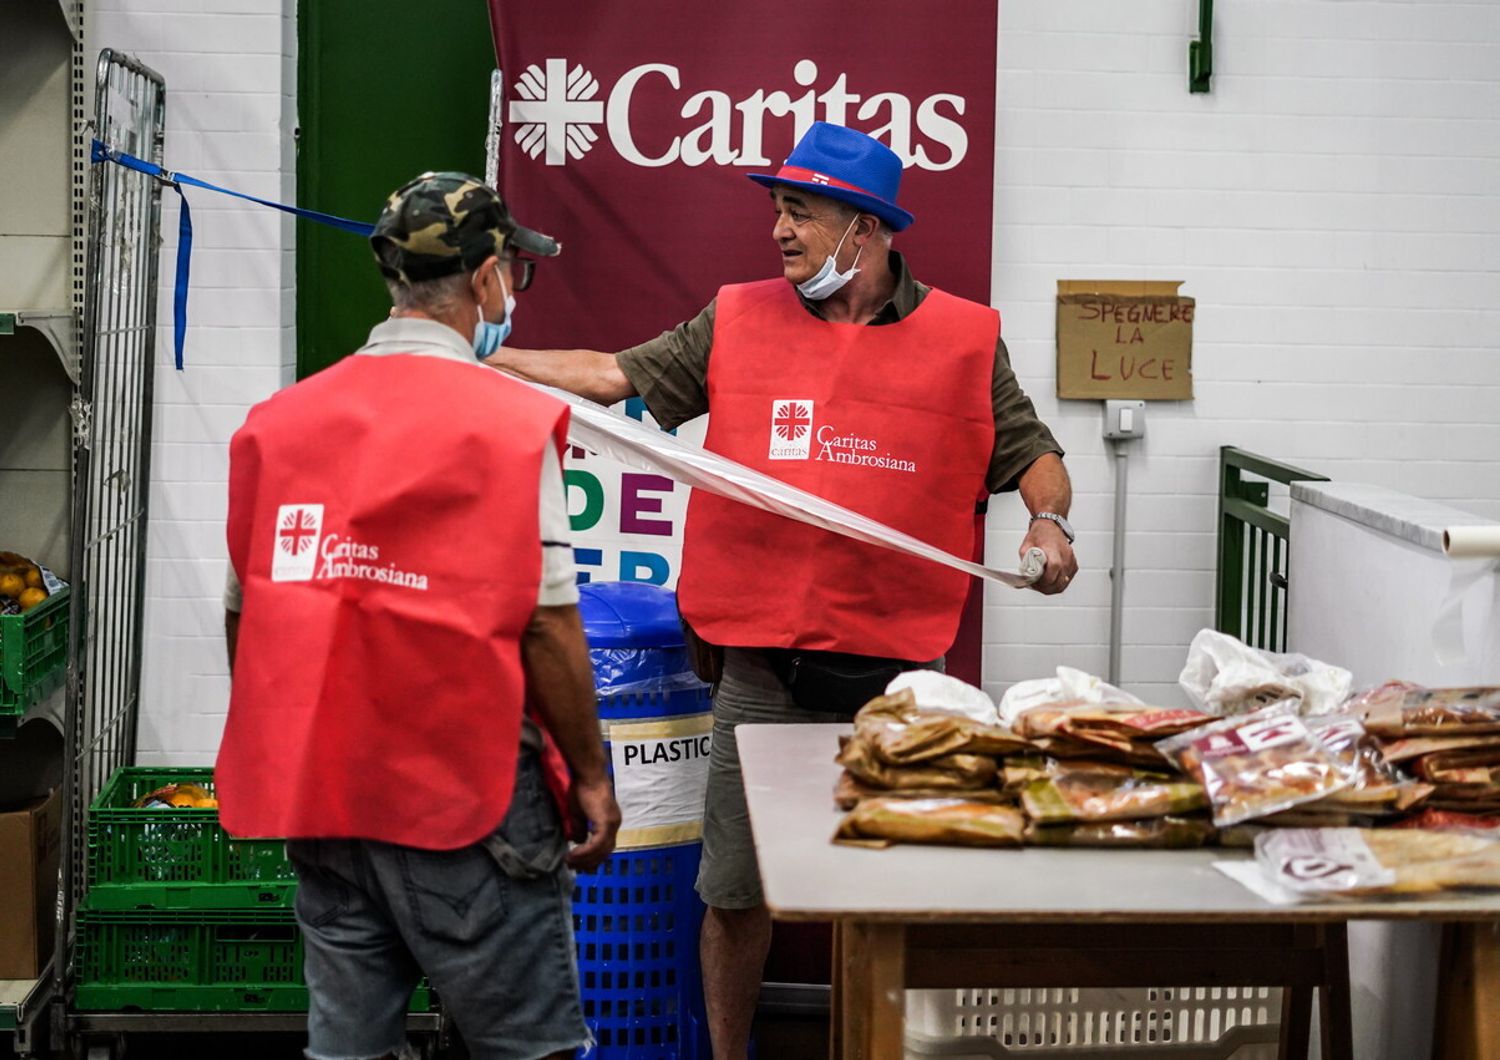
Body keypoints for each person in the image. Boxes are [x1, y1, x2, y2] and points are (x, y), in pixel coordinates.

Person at [483, 122, 1076, 1057]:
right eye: (776, 209)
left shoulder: (966, 339)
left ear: (867, 228)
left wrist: (1049, 521)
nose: (779, 230)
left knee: (884, 891)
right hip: (757, 669)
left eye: (800, 211)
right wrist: (469, 356)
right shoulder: (738, 318)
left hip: (894, 679)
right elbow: (610, 376)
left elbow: (1033, 453)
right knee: (732, 889)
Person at [216, 172, 620, 1060]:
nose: (511, 292)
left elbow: (250, 619)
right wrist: (590, 775)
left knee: (347, 1049)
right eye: (513, 272)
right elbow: (548, 625)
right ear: (484, 282)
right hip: (467, 795)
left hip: (325, 795)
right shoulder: (508, 428)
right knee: (527, 1047)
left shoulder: (277, 425)